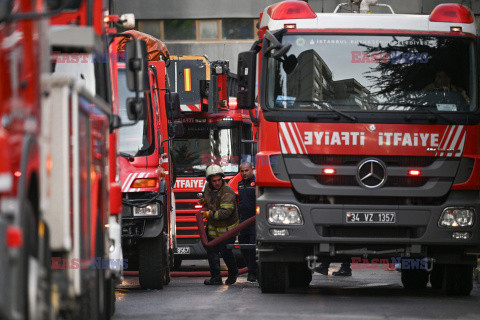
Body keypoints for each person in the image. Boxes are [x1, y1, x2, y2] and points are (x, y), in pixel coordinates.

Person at [201, 165, 239, 285]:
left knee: (225, 252)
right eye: (214, 181)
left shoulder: (228, 192)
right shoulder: (207, 187)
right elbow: (208, 198)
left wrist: (209, 214)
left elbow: (225, 213)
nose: (217, 183)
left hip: (227, 229)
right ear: (209, 181)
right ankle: (216, 277)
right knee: (211, 251)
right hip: (213, 228)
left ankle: (233, 273)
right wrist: (203, 201)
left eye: (219, 180)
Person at [237, 162, 257, 282]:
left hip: (254, 221)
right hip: (243, 221)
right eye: (242, 171)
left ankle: (252, 272)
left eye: (246, 170)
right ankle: (251, 269)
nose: (244, 173)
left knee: (252, 247)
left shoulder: (257, 183)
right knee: (243, 246)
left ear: (251, 170)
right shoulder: (239, 184)